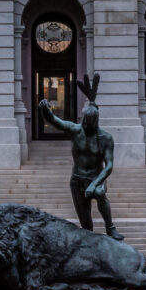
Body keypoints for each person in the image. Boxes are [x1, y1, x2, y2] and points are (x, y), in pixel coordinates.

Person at [37, 75, 117, 239]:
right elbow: (54, 121)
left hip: (96, 177)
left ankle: (111, 227)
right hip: (78, 178)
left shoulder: (105, 138)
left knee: (100, 195)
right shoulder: (76, 130)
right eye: (84, 122)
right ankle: (91, 242)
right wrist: (44, 109)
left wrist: (94, 184)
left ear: (95, 123)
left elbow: (109, 166)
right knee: (85, 222)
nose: (85, 126)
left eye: (89, 124)